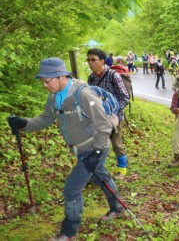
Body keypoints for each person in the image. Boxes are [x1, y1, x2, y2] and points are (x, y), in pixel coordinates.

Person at [7, 58, 123, 240]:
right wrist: (24, 123)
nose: (45, 85)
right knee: (100, 177)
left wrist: (97, 153)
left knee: (72, 188)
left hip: (94, 148)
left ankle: (69, 231)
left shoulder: (84, 94)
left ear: (61, 76)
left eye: (47, 81)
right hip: (80, 150)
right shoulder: (54, 97)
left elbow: (103, 126)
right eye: (43, 82)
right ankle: (117, 207)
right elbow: (45, 119)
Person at [87, 48, 130, 178]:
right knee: (98, 145)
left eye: (93, 60)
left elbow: (124, 97)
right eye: (88, 60)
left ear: (102, 61)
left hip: (114, 118)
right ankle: (100, 172)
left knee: (116, 144)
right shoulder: (91, 78)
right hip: (98, 119)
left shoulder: (113, 75)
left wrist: (112, 112)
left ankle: (122, 169)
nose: (90, 63)